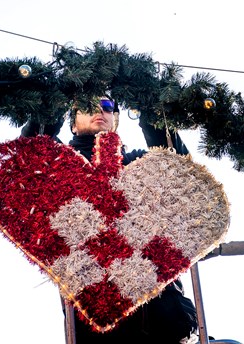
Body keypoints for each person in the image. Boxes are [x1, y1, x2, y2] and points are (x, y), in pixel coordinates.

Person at [21, 96, 198, 344]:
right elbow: (28, 153)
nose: (99, 111)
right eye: (87, 105)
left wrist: (147, 102)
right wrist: (57, 97)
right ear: (72, 124)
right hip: (96, 307)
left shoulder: (137, 163)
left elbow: (177, 166)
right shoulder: (60, 163)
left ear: (114, 120)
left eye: (107, 107)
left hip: (161, 307)